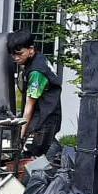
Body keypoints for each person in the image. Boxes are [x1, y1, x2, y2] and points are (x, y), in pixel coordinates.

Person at [7, 29, 62, 158]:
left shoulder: (36, 72)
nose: (16, 58)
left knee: (31, 155)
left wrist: (20, 134)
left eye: (19, 54)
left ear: (31, 49)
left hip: (43, 119)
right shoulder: (37, 59)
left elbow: (29, 106)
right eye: (13, 55)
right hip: (46, 116)